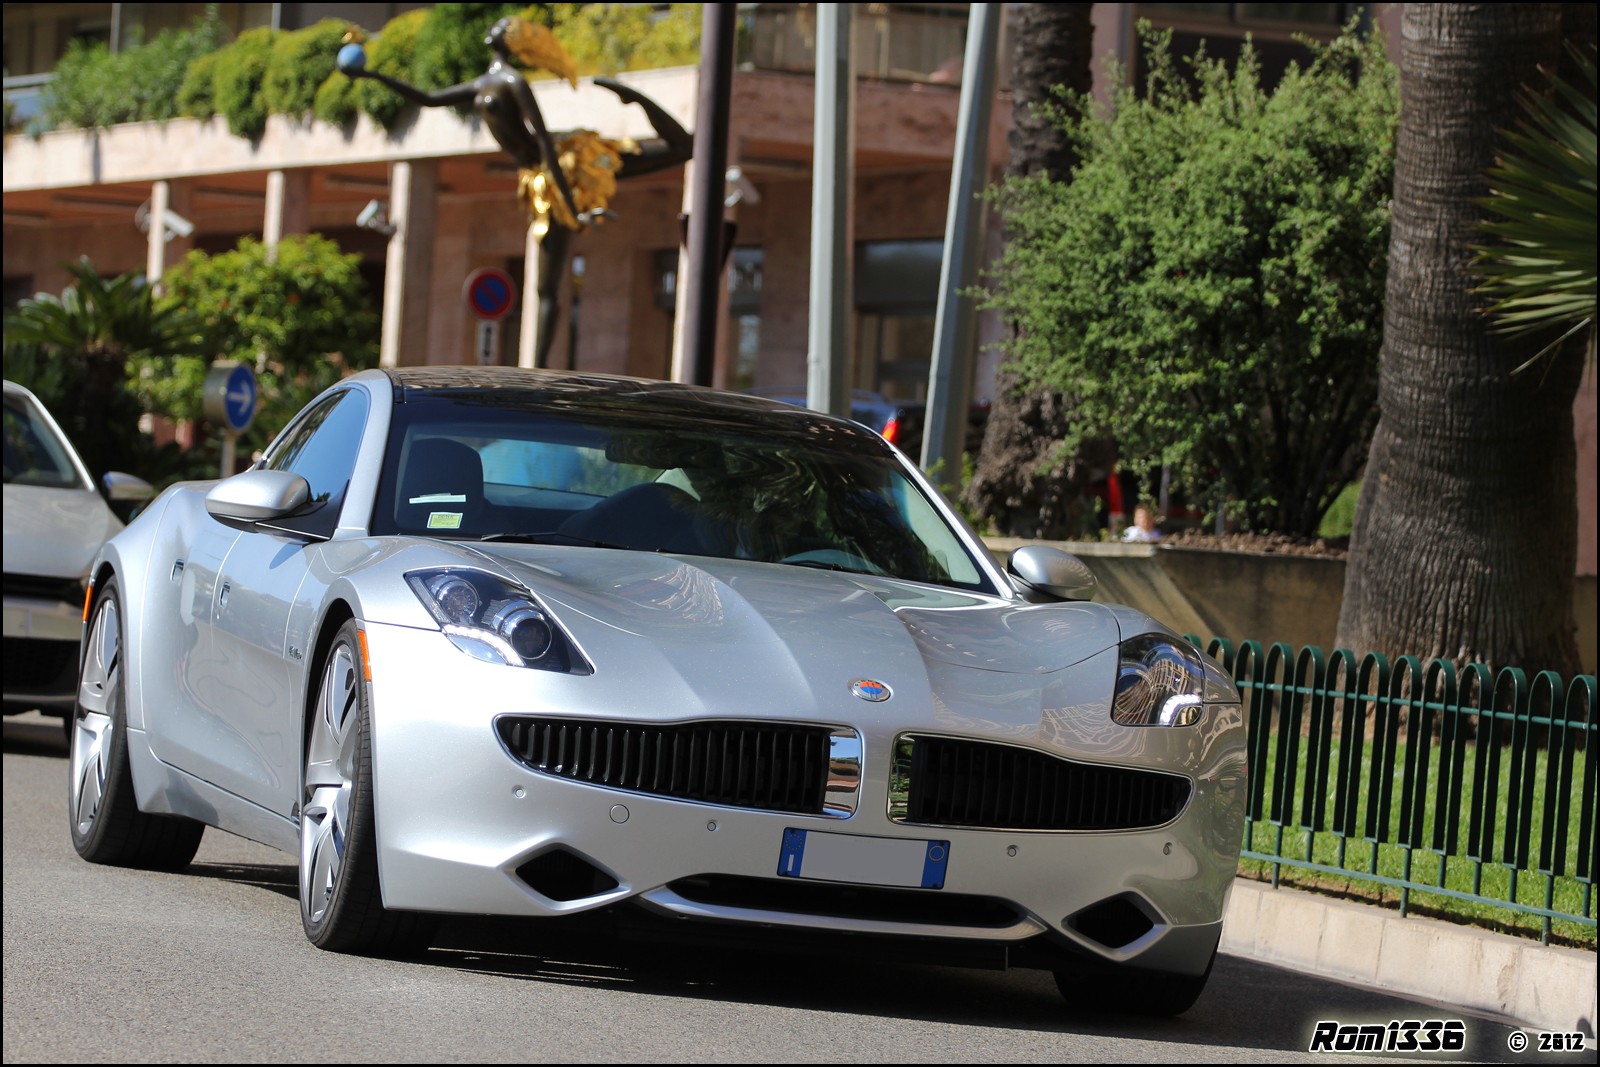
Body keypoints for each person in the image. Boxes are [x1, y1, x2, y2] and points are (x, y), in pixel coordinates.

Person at [338, 17, 692, 365]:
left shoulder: (513, 82)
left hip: (562, 168)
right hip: (537, 177)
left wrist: (570, 203)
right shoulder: (485, 82)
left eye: (505, 27)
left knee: (677, 149)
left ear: (512, 43)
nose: (495, 27)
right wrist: (373, 76)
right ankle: (537, 365)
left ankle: (537, 366)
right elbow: (428, 99)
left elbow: (545, 144)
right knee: (546, 284)